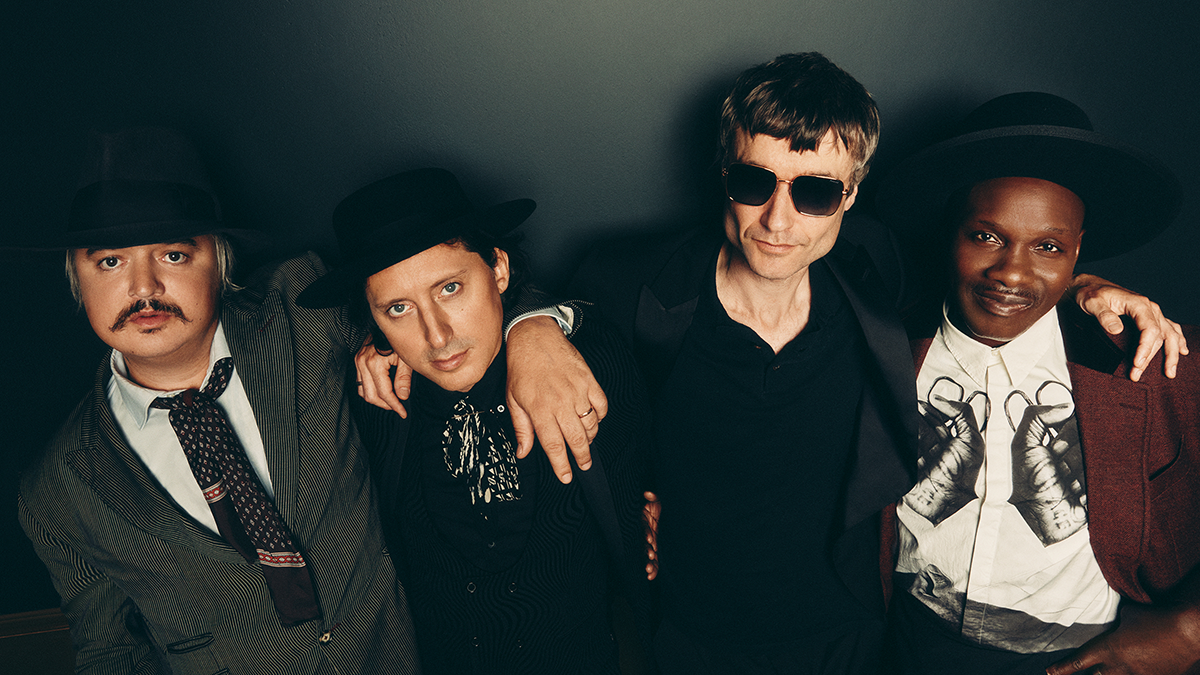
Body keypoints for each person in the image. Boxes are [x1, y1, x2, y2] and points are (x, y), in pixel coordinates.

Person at [357, 55, 1185, 674]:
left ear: (852, 194)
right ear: (725, 175)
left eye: (815, 191)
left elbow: (1005, 277)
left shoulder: (880, 277)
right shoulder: (635, 285)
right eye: (756, 182)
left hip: (852, 635)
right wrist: (531, 324)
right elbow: (514, 291)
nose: (779, 221)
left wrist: (1086, 289)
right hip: (689, 637)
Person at [13, 127, 425, 673]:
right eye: (110, 262)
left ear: (219, 261)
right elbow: (111, 651)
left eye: (174, 254)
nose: (143, 288)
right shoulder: (57, 489)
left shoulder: (304, 306)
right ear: (77, 279)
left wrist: (530, 325)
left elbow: (452, 304)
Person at [876, 92, 1200, 675]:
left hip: (1085, 656)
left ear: (1078, 250)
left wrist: (1190, 629)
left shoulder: (1153, 360)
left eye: (1048, 247)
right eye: (986, 236)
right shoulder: (884, 343)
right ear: (949, 232)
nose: (1012, 272)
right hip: (909, 642)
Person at [295, 168, 652, 674]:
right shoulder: (374, 402)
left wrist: (539, 321)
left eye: (450, 288)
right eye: (398, 309)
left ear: (499, 270)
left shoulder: (584, 366)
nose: (437, 335)